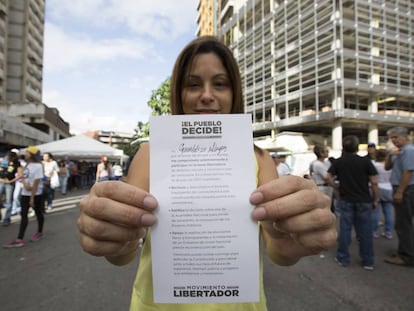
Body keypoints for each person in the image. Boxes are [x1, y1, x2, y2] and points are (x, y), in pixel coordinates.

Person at [77, 36, 337, 310]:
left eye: (220, 84)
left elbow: (279, 249)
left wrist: (290, 237)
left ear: (234, 93)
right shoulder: (152, 153)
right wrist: (111, 238)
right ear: (179, 93)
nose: (207, 95)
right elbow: (125, 248)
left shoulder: (260, 158)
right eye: (193, 84)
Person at [326, 135, 379, 271]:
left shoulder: (339, 162)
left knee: (345, 230)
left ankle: (343, 258)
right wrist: (375, 199)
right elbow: (374, 182)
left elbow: (328, 177)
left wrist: (336, 187)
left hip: (346, 200)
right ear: (357, 147)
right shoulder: (366, 162)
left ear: (344, 147)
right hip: (364, 200)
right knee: (365, 232)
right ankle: (368, 261)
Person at [384, 126, 414, 266]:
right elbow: (387, 167)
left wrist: (400, 191)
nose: (393, 140)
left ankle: (406, 255)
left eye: (396, 137)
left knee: (403, 223)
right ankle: (405, 250)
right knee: (402, 222)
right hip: (401, 188)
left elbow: (408, 172)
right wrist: (390, 155)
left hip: (406, 189)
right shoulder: (399, 152)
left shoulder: (408, 151)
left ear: (405, 137)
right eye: (392, 138)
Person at [3, 146, 45, 248]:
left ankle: (39, 232)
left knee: (38, 213)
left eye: (27, 152)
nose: (25, 154)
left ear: (32, 154)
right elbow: (24, 176)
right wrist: (24, 183)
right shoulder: (27, 164)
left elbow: (36, 182)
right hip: (24, 194)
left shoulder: (38, 166)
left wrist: (32, 198)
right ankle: (19, 239)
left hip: (36, 195)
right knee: (24, 215)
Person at [371, 149, 394, 240]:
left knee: (375, 211)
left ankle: (374, 231)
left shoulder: (374, 165)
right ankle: (388, 232)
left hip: (377, 187)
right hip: (389, 187)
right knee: (388, 211)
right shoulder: (390, 166)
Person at [1, 151, 20, 226]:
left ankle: (7, 219)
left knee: (9, 201)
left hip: (10, 183)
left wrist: (11, 181)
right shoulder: (3, 162)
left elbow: (20, 175)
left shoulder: (17, 164)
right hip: (1, 181)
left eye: (10, 157)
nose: (8, 159)